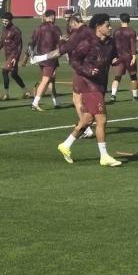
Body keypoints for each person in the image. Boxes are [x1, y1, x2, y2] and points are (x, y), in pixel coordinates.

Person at [32, 14, 123, 167]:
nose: (110, 27)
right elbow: (74, 60)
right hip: (88, 83)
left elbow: (113, 57)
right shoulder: (87, 43)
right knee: (101, 119)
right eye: (107, 25)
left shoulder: (110, 43)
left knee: (87, 119)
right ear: (98, 27)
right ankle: (104, 156)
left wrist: (116, 60)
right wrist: (87, 70)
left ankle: (66, 145)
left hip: (100, 83)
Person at [28, 10, 62, 111]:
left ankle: (56, 101)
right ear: (52, 17)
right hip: (50, 58)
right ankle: (35, 103)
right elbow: (61, 44)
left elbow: (31, 43)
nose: (55, 19)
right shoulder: (55, 28)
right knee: (46, 80)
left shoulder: (38, 28)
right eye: (54, 17)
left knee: (51, 80)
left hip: (40, 57)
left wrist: (31, 55)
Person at [0, 12, 28, 100]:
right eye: (3, 21)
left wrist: (15, 58)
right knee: (14, 75)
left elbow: (19, 45)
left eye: (6, 21)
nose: (4, 22)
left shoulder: (16, 30)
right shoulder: (4, 29)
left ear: (10, 20)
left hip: (13, 55)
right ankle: (26, 92)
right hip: (7, 55)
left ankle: (6, 94)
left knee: (4, 71)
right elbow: (2, 39)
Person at [109, 13, 138, 102]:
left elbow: (113, 45)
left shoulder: (116, 31)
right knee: (133, 76)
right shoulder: (131, 31)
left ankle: (113, 95)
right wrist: (134, 57)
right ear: (129, 20)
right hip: (129, 57)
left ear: (120, 20)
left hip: (118, 57)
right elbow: (133, 44)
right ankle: (135, 96)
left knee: (117, 77)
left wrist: (113, 57)